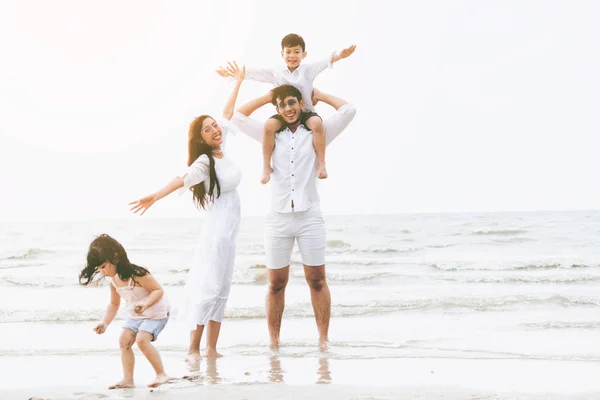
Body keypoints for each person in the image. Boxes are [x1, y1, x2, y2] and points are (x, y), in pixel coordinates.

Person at [129, 63, 246, 361]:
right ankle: (194, 349)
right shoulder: (205, 163)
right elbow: (181, 179)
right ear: (200, 139)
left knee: (224, 288)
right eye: (208, 129)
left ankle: (211, 349)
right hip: (218, 231)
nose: (215, 129)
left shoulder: (222, 149)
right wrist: (155, 195)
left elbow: (228, 113)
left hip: (230, 232)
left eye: (214, 126)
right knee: (210, 287)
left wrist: (238, 81)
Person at [230, 83, 356, 350]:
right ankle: (274, 343)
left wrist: (320, 96)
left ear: (301, 104)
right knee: (276, 283)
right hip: (277, 219)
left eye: (292, 103)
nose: (288, 108)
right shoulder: (270, 133)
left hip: (309, 215)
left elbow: (348, 110)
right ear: (277, 108)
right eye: (282, 104)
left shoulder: (316, 130)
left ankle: (323, 340)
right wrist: (267, 98)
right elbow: (237, 116)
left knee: (317, 280)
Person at [217, 33, 356, 184]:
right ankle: (265, 167)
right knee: (269, 126)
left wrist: (340, 55)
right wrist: (236, 75)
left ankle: (321, 164)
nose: (292, 56)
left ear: (304, 54)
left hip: (307, 112)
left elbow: (325, 61)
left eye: (296, 52)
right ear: (282, 54)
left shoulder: (308, 70)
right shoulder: (277, 72)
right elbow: (255, 73)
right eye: (288, 52)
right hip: (283, 115)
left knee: (317, 124)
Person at [79, 234, 171, 389]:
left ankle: (161, 374)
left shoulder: (138, 273)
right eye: (99, 268)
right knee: (124, 341)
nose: (102, 272)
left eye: (103, 267)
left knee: (142, 340)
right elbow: (114, 304)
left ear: (115, 258)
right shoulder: (113, 280)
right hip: (135, 314)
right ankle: (128, 380)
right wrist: (105, 322)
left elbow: (157, 290)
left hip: (156, 312)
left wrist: (145, 304)